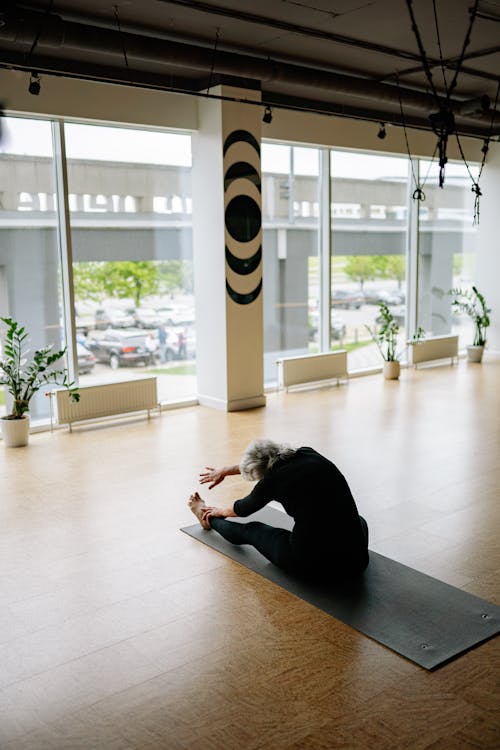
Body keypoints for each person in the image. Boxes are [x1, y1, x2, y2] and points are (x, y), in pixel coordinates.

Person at [188, 439, 369, 581]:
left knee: (252, 529)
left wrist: (218, 511)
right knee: (353, 518)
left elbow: (242, 509)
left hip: (316, 566)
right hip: (358, 560)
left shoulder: (272, 481)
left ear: (260, 475)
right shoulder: (306, 452)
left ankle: (206, 517)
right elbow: (264, 462)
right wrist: (226, 470)